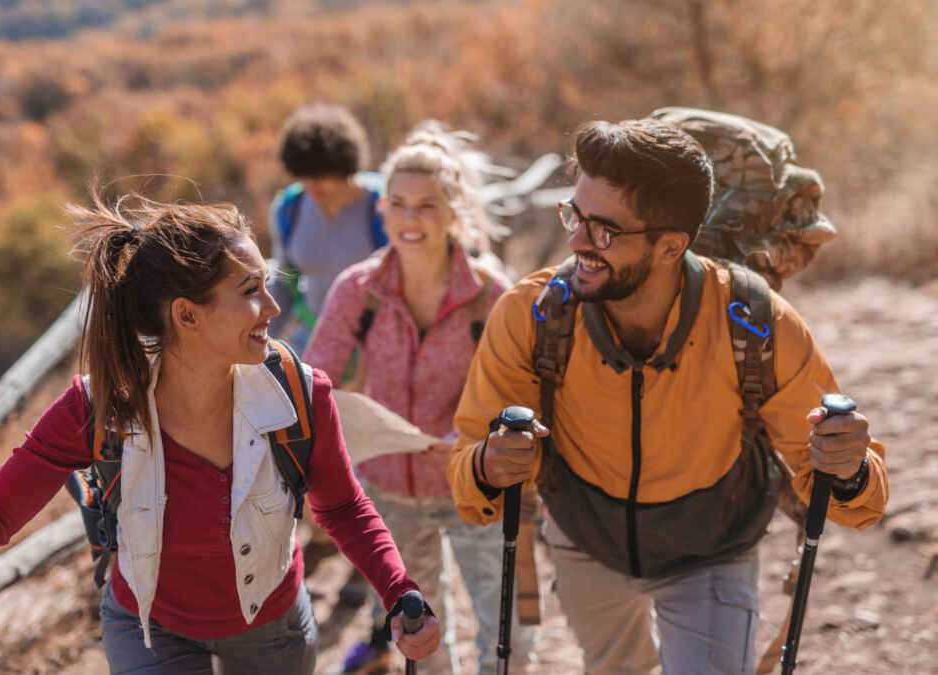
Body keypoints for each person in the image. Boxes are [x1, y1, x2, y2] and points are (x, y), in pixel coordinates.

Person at [0, 192, 440, 674]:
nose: (273, 308)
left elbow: (342, 508)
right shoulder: (98, 407)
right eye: (251, 290)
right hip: (149, 629)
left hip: (271, 627)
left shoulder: (298, 392)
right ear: (187, 315)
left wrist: (399, 591)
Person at [447, 118, 889, 674]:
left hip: (711, 548)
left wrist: (846, 469)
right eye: (574, 215)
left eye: (604, 230)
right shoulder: (534, 314)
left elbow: (852, 494)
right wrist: (489, 464)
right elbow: (468, 468)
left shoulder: (754, 324)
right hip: (586, 541)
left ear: (670, 246)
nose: (577, 240)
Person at [304, 121, 534, 675]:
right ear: (382, 210)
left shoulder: (491, 294)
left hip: (479, 489)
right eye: (398, 204)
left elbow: (520, 393)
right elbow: (312, 383)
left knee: (511, 640)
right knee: (424, 642)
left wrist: (471, 442)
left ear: (455, 209)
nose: (410, 220)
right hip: (390, 495)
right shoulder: (358, 291)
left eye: (426, 205)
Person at [268, 103, 389, 352]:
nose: (313, 186)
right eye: (305, 176)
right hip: (311, 346)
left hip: (374, 351)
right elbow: (284, 284)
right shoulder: (289, 208)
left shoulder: (382, 205)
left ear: (344, 165)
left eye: (322, 175)